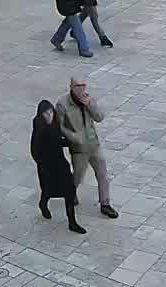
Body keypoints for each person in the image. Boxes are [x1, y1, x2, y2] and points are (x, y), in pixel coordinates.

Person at [58, 77, 118, 218]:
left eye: (83, 85)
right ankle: (71, 194)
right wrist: (73, 136)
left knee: (102, 174)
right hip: (79, 149)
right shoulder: (62, 104)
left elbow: (99, 117)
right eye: (78, 85)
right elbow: (59, 126)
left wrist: (90, 105)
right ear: (71, 86)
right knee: (78, 176)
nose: (81, 88)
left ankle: (105, 203)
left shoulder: (88, 98)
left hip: (94, 144)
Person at [30, 99, 85, 234]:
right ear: (41, 115)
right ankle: (43, 205)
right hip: (47, 169)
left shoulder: (55, 125)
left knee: (69, 191)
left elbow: (57, 142)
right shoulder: (39, 128)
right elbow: (35, 151)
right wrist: (43, 167)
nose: (49, 116)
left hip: (60, 165)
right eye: (46, 113)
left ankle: (72, 222)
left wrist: (71, 142)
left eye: (50, 112)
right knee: (48, 192)